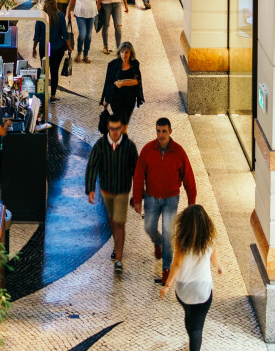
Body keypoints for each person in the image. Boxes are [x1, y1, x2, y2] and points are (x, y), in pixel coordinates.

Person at [133, 117, 199, 285]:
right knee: (149, 227)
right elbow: (139, 175)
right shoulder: (148, 150)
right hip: (152, 198)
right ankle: (158, 243)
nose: (160, 135)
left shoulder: (179, 152)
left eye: (164, 131)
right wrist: (137, 197)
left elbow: (189, 179)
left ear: (170, 131)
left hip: (171, 198)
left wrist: (192, 204)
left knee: (168, 233)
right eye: (158, 131)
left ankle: (166, 269)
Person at [159, 204, 223, 351]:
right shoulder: (210, 239)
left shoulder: (182, 241)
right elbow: (215, 261)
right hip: (203, 290)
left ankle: (192, 342)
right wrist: (220, 268)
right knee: (197, 328)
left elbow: (177, 264)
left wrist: (167, 286)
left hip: (184, 290)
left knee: (189, 315)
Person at [85, 112, 140, 274]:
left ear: (122, 128)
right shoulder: (100, 145)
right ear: (108, 128)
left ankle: (119, 259)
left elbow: (136, 171)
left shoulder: (129, 147)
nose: (115, 132)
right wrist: (90, 189)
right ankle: (117, 246)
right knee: (112, 220)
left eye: (117, 129)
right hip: (106, 190)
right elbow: (92, 166)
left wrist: (137, 194)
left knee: (119, 222)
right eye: (112, 129)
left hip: (122, 191)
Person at [33, 0, 70, 101]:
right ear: (55, 2)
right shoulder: (60, 15)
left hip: (44, 48)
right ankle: (53, 95)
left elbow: (37, 35)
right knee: (54, 72)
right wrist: (69, 46)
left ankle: (43, 94)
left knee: (44, 71)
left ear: (45, 3)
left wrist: (34, 48)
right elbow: (65, 34)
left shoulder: (41, 17)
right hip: (57, 49)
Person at [101, 42, 144, 129]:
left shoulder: (135, 64)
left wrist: (122, 83)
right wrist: (106, 99)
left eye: (126, 52)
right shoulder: (113, 65)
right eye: (122, 52)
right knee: (121, 124)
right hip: (115, 100)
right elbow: (108, 83)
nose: (124, 55)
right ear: (119, 53)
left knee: (125, 124)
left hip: (129, 100)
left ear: (131, 53)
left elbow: (137, 82)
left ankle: (122, 140)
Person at [69, 0, 101, 64]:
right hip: (80, 10)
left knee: (89, 35)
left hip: (91, 11)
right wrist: (69, 11)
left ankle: (86, 54)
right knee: (82, 34)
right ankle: (79, 52)